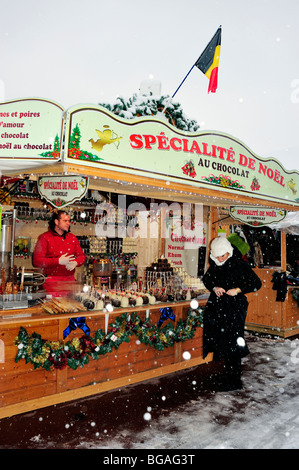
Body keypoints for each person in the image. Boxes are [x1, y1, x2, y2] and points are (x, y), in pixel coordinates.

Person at [202, 236, 262, 391]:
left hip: (234, 308)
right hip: (218, 308)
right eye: (217, 256)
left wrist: (238, 290)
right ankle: (228, 374)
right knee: (222, 340)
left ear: (228, 251)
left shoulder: (240, 265)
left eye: (222, 256)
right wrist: (215, 288)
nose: (220, 259)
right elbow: (207, 279)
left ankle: (234, 380)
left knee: (233, 342)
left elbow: (256, 283)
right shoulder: (215, 264)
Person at [33, 210, 85, 296]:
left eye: (69, 221)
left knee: (70, 307)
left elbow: (82, 257)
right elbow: (37, 261)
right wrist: (58, 261)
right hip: (52, 283)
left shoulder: (72, 238)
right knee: (53, 307)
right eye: (65, 221)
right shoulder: (44, 238)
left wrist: (76, 262)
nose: (68, 223)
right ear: (56, 222)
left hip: (70, 282)